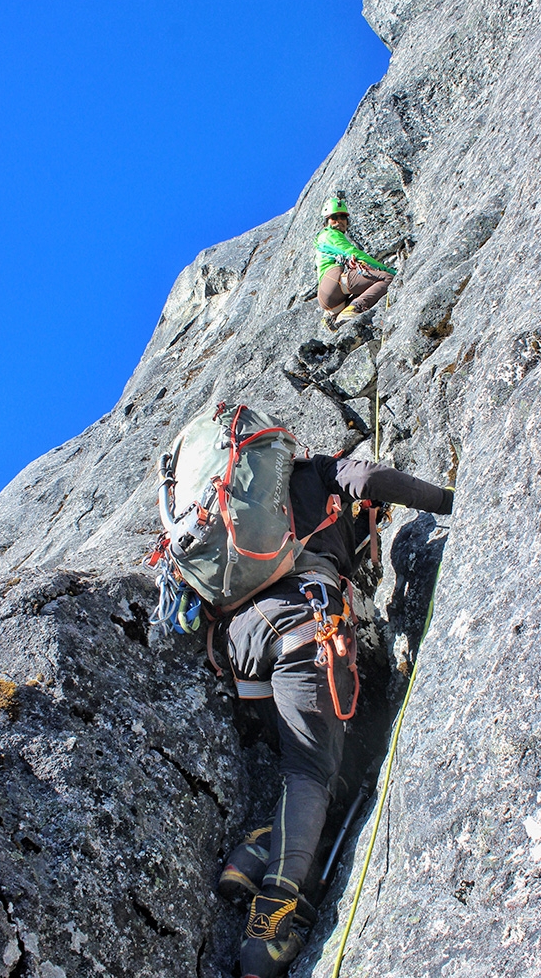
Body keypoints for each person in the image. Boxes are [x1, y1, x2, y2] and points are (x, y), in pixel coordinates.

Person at [218, 454, 454, 978]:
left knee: (315, 766)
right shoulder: (317, 472)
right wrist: (448, 502)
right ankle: (271, 919)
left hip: (242, 641)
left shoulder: (241, 505)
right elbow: (370, 479)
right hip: (303, 617)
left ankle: (255, 855)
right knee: (310, 772)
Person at [314, 196, 397, 330]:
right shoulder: (329, 235)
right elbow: (352, 252)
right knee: (386, 278)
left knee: (366, 288)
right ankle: (354, 307)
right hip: (334, 282)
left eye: (343, 217)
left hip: (329, 296)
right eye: (334, 217)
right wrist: (387, 270)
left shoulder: (323, 239)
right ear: (326, 221)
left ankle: (339, 314)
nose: (339, 221)